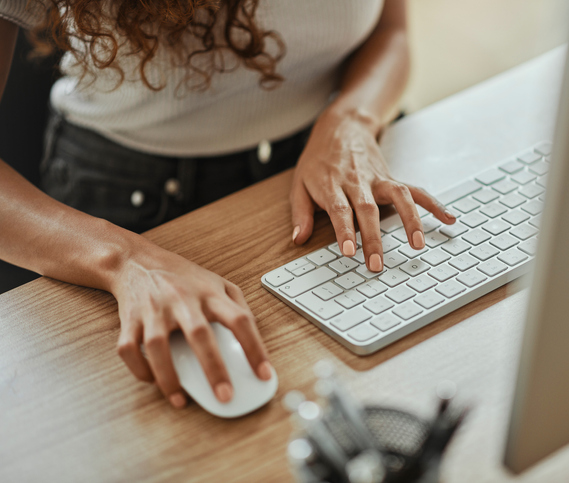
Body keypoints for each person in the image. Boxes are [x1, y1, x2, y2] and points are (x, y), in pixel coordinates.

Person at [0, 0, 455, 409]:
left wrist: (352, 119)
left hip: (326, 159)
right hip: (127, 203)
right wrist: (127, 262)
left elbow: (390, 29)